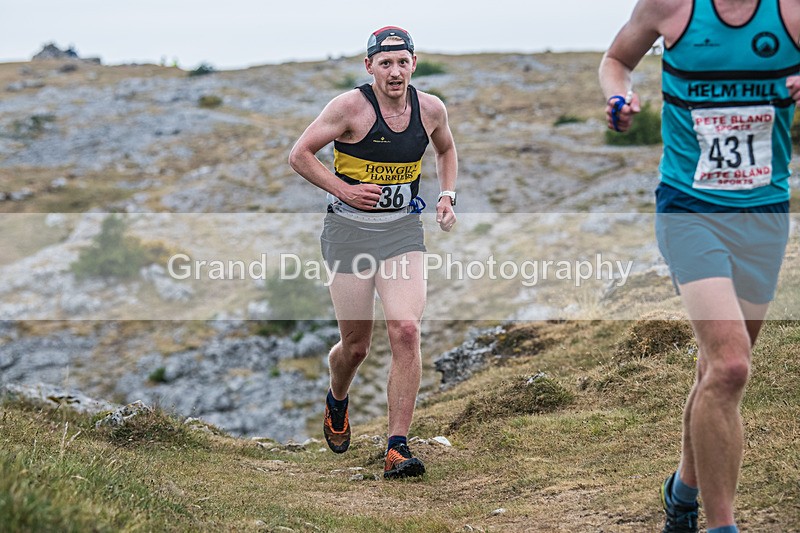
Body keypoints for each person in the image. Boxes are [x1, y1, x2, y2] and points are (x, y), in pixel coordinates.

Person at [600, 1, 800, 531]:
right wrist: (619, 98)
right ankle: (721, 525)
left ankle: (682, 492)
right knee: (732, 367)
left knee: (716, 369)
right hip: (690, 210)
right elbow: (616, 59)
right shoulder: (671, 7)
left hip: (764, 213)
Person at [288, 26, 458, 479]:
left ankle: (397, 447)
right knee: (357, 346)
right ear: (370, 67)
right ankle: (337, 399)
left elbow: (446, 150)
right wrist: (344, 189)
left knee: (405, 330)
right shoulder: (349, 107)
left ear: (414, 63)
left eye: (403, 62)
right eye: (386, 63)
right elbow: (300, 154)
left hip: (402, 231)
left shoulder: (431, 109)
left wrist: (447, 196)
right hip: (348, 234)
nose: (395, 71)